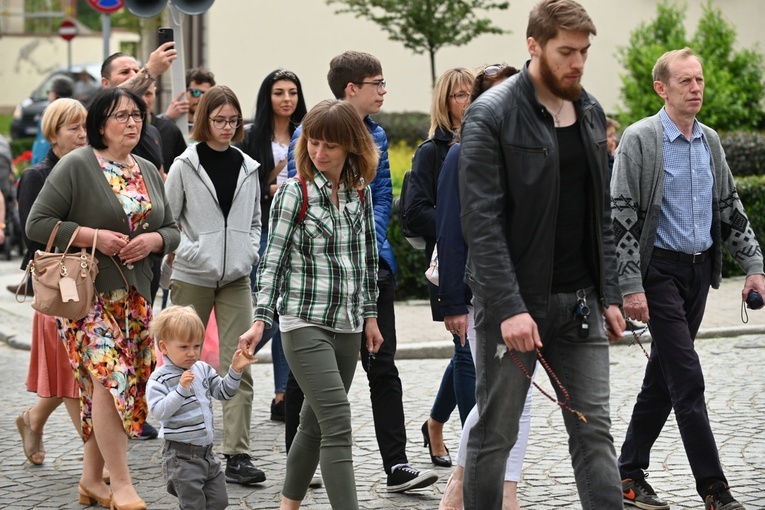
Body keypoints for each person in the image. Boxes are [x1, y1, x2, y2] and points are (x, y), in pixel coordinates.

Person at [458, 0, 627, 508]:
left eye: (584, 52)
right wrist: (509, 307)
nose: (577, 63)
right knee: (495, 436)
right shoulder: (491, 114)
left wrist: (611, 294)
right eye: (565, 52)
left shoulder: (591, 110)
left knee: (595, 433)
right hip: (514, 306)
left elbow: (600, 215)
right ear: (533, 46)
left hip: (580, 306)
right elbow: (481, 224)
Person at [611, 47, 764, 510]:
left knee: (663, 377)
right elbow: (618, 217)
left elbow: (730, 209)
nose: (695, 88)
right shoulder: (640, 140)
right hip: (658, 273)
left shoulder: (709, 141)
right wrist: (630, 285)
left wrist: (754, 266)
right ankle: (714, 490)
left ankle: (628, 474)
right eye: (685, 81)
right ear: (662, 88)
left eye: (699, 80)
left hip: (699, 273)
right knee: (687, 378)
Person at [286, 50, 439, 493]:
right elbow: (300, 197)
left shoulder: (377, 134)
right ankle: (303, 463)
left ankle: (397, 466)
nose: (384, 90)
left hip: (370, 269)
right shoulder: (311, 131)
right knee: (307, 379)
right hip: (318, 281)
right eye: (378, 82)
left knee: (383, 365)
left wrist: (367, 251)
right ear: (352, 88)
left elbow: (381, 195)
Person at [26, 86, 180, 510]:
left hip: (134, 298)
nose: (132, 123)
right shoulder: (76, 165)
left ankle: (91, 479)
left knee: (114, 386)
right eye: (121, 116)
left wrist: (151, 240)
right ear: (99, 125)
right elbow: (37, 223)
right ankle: (123, 485)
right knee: (114, 381)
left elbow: (172, 230)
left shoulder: (147, 169)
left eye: (137, 115)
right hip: (86, 297)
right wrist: (95, 237)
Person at [240, 99, 384, 510]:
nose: (319, 153)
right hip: (303, 322)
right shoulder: (293, 193)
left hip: (349, 324)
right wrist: (260, 320)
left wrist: (371, 316)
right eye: (314, 144)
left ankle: (288, 506)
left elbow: (367, 260)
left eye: (330, 146)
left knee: (314, 424)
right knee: (337, 419)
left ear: (351, 147)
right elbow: (272, 262)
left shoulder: (361, 191)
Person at [437, 64, 534, 510]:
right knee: (501, 396)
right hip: (483, 296)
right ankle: (495, 493)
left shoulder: (531, 153)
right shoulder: (461, 155)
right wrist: (453, 302)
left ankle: (462, 490)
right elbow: (450, 234)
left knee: (515, 397)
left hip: (529, 295)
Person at [165, 85, 265, 486]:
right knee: (180, 362)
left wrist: (249, 252)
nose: (227, 127)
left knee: (240, 358)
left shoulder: (248, 167)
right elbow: (168, 222)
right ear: (203, 120)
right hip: (192, 276)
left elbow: (257, 220)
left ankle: (237, 454)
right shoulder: (184, 165)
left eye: (233, 120)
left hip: (237, 277)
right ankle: (180, 448)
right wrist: (192, 253)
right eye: (219, 120)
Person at [406, 67, 476, 468]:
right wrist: (460, 223)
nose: (466, 101)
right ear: (444, 102)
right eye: (459, 95)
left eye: (471, 93)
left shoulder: (489, 144)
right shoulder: (431, 151)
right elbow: (413, 213)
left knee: (464, 351)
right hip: (449, 263)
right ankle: (473, 450)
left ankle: (435, 423)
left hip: (483, 265)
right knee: (466, 353)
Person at [15, 98, 88, 467]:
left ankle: (32, 419)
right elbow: (34, 238)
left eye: (85, 126)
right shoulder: (37, 176)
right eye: (73, 127)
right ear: (53, 134)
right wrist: (87, 235)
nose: (82, 134)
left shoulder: (91, 170)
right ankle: (99, 463)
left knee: (72, 372)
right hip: (58, 288)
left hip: (89, 286)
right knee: (73, 375)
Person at [235, 68, 307, 421]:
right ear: (268, 97)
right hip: (264, 228)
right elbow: (244, 187)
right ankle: (228, 362)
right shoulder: (252, 138)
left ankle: (282, 394)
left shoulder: (308, 133)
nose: (287, 99)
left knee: (288, 314)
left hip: (302, 229)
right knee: (273, 312)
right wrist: (271, 190)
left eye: (292, 92)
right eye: (279, 92)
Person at [147, 305, 257, 510]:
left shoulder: (202, 369)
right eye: (184, 347)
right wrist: (180, 390)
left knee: (219, 501)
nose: (192, 353)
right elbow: (159, 412)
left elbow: (224, 392)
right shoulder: (159, 379)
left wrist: (235, 370)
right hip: (181, 456)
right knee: (194, 505)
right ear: (163, 347)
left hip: (207, 454)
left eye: (197, 346)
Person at [31, 75, 74, 165]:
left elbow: (41, 151)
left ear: (54, 95)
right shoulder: (76, 114)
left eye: (49, 92)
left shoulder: (50, 117)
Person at [162, 67, 216, 132]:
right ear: (184, 92)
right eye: (195, 92)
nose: (201, 99)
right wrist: (168, 118)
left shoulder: (216, 127)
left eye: (206, 94)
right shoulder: (168, 123)